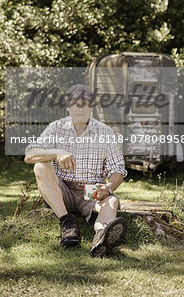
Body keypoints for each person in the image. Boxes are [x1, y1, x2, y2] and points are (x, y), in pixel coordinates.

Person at [24, 84, 128, 257]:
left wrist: (108, 187)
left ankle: (102, 237)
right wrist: (57, 153)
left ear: (92, 106)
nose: (80, 107)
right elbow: (30, 155)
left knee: (111, 202)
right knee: (40, 166)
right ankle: (67, 223)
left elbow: (118, 170)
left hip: (90, 190)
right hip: (61, 189)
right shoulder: (56, 128)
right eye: (75, 103)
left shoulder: (105, 132)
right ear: (68, 106)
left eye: (85, 103)